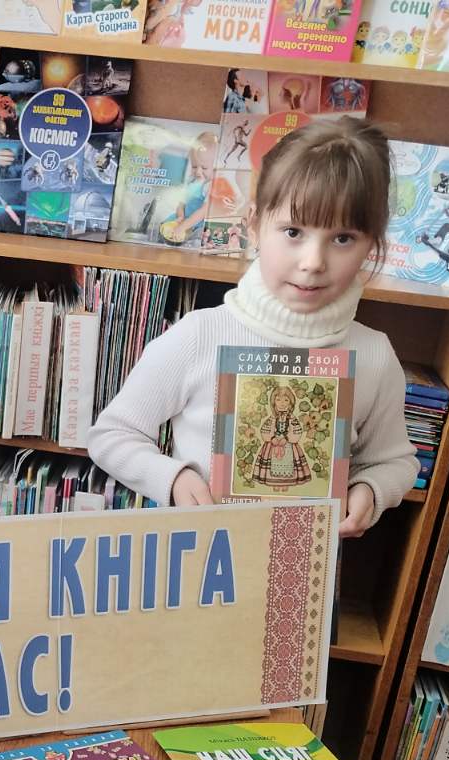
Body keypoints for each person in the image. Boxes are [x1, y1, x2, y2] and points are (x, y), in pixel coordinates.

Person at [87, 117, 418, 538]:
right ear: (255, 224)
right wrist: (173, 479)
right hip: (201, 558)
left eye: (343, 239)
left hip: (305, 566)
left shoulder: (373, 355)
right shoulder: (200, 335)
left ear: (372, 243)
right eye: (293, 231)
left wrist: (371, 489)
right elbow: (112, 435)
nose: (313, 262)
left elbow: (395, 461)